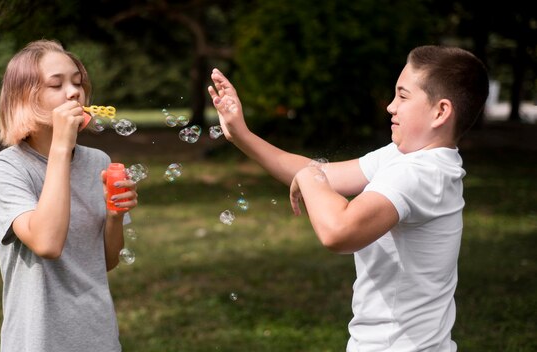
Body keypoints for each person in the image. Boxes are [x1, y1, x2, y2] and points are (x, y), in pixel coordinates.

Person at [208, 45, 489, 351]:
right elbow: (321, 174)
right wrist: (242, 134)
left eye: (403, 96)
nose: (390, 107)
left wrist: (310, 177)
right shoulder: (408, 157)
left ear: (441, 112)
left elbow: (338, 231)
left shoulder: (419, 173)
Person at [0, 39, 137, 352]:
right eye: (57, 85)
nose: (73, 92)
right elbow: (47, 243)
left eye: (77, 83)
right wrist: (60, 147)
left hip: (97, 335)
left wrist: (114, 216)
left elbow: (106, 261)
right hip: (37, 339)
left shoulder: (99, 162)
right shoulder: (7, 168)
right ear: (23, 98)